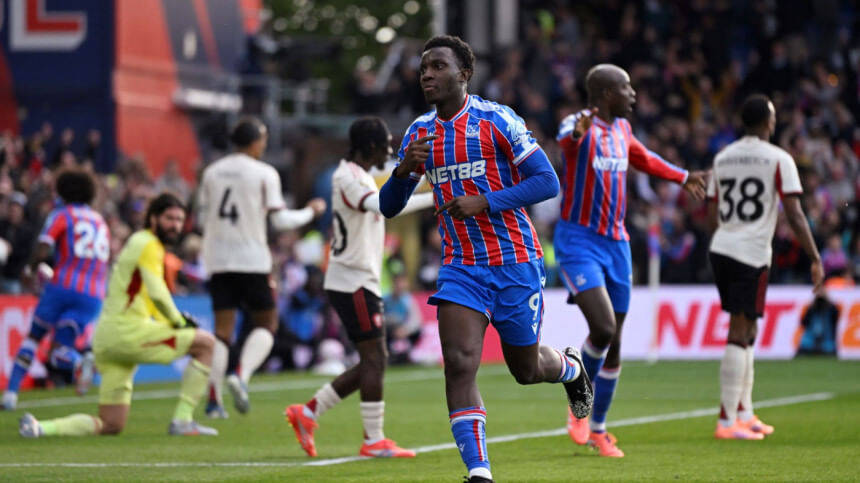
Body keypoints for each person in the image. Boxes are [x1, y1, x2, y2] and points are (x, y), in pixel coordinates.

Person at [378, 35, 592, 483]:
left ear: (464, 74)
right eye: (423, 68)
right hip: (461, 267)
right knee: (458, 362)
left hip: (515, 260)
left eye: (438, 66)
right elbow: (389, 206)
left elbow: (546, 181)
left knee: (526, 369)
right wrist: (401, 172)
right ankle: (479, 471)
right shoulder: (419, 133)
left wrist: (486, 201)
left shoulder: (497, 120)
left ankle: (570, 367)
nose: (427, 75)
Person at [555, 64, 707, 457]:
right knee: (602, 328)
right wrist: (576, 133)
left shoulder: (622, 131)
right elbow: (567, 141)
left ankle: (599, 429)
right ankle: (579, 400)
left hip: (617, 242)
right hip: (579, 241)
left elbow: (644, 158)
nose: (634, 95)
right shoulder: (579, 123)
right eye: (627, 89)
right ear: (607, 94)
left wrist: (683, 175)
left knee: (617, 343)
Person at [285, 116, 433, 458]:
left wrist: (435, 198)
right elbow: (383, 205)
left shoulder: (358, 175)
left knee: (373, 359)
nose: (390, 150)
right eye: (385, 144)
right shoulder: (348, 177)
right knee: (375, 358)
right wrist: (423, 188)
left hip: (358, 278)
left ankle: (307, 413)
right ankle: (372, 439)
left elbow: (391, 204)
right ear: (369, 146)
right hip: (351, 278)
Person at [18, 193, 218, 437]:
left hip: (108, 340)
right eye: (169, 218)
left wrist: (172, 322)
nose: (175, 225)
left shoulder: (140, 243)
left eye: (179, 219)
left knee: (111, 424)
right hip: (127, 332)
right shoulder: (148, 243)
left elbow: (151, 299)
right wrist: (179, 322)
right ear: (153, 218)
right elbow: (157, 292)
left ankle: (40, 428)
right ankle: (183, 420)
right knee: (206, 344)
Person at [707, 94, 823, 439]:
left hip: (723, 246)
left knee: (749, 330)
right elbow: (795, 214)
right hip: (751, 252)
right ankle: (727, 421)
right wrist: (815, 257)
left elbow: (712, 213)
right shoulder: (778, 159)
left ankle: (745, 411)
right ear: (768, 122)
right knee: (740, 330)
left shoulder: (723, 158)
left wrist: (725, 238)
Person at [198, 117, 326, 418]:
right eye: (264, 139)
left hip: (217, 258)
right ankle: (240, 374)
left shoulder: (212, 172)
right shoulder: (264, 172)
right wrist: (311, 211)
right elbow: (280, 221)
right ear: (255, 142)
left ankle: (214, 401)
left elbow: (202, 219)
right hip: (251, 259)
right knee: (267, 323)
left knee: (222, 332)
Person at [2, 169, 109, 410]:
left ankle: (10, 395)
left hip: (63, 286)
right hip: (93, 293)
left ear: (64, 191)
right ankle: (81, 361)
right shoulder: (100, 220)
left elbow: (44, 246)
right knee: (60, 351)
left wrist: (29, 269)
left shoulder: (63, 214)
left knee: (34, 337)